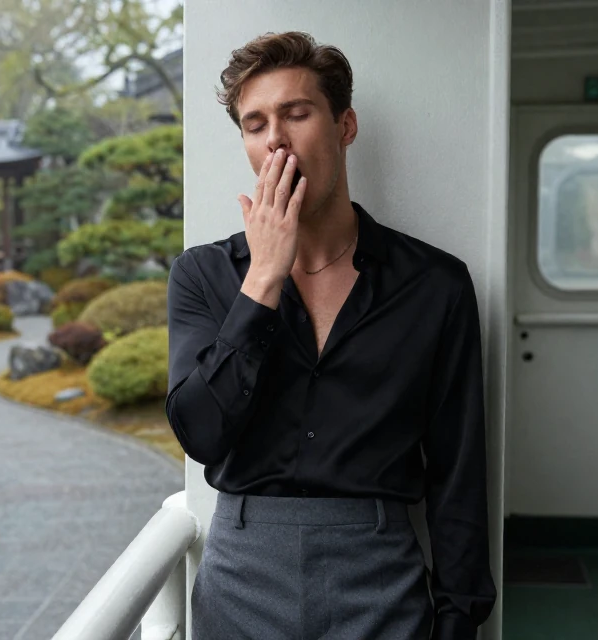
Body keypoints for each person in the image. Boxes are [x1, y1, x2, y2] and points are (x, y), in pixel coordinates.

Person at [165, 30, 497, 640]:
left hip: (381, 578)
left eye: (297, 113)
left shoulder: (435, 284)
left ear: (345, 126)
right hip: (240, 577)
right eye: (255, 124)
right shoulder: (202, 275)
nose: (276, 139)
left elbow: (458, 467)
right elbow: (201, 436)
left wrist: (458, 616)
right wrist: (262, 280)